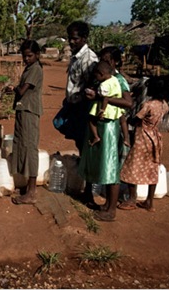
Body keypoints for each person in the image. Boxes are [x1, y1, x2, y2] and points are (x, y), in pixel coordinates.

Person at [59, 21, 99, 206]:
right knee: (79, 145)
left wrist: (78, 101)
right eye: (70, 38)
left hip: (84, 109)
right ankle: (84, 185)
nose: (71, 41)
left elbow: (91, 87)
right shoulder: (76, 56)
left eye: (75, 38)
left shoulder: (89, 59)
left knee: (87, 148)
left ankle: (89, 191)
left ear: (84, 38)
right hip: (74, 105)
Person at [118, 77, 169, 212]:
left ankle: (131, 199)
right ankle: (149, 201)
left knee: (132, 167)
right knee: (152, 168)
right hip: (155, 138)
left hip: (142, 138)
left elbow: (136, 119)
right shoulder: (165, 105)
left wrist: (126, 118)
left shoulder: (148, 105)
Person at [8, 40, 44, 205]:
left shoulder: (35, 69)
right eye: (24, 56)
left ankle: (31, 191)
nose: (26, 59)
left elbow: (22, 90)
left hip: (30, 111)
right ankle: (26, 185)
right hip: (24, 109)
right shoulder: (30, 68)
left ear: (37, 55)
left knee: (29, 148)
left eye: (29, 55)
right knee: (21, 145)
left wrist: (14, 88)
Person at [87, 61, 126, 147]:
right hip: (115, 107)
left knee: (91, 120)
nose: (96, 78)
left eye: (96, 76)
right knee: (122, 121)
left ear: (101, 74)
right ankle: (126, 138)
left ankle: (96, 136)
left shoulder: (103, 85)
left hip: (106, 107)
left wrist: (102, 110)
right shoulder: (115, 79)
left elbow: (105, 98)